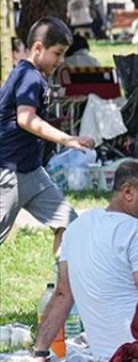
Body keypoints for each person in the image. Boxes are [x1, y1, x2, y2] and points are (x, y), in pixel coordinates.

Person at [31, 160, 138, 361]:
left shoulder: (76, 228)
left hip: (106, 361)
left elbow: (63, 294)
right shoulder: (136, 231)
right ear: (128, 192)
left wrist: (40, 351)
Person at [0, 17, 96, 248]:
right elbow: (26, 119)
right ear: (38, 48)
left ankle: (63, 285)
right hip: (10, 175)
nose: (61, 60)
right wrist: (68, 139)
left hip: (32, 172)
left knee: (71, 226)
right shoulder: (29, 77)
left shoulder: (31, 75)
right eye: (57, 53)